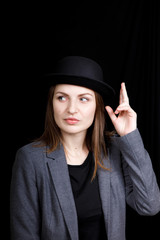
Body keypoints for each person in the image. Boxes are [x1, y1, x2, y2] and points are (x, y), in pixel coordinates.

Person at [10, 56, 160, 240]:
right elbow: (23, 234)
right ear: (52, 103)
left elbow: (149, 205)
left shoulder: (115, 150)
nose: (72, 109)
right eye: (62, 97)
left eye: (83, 99)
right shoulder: (30, 158)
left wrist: (130, 136)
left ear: (97, 106)